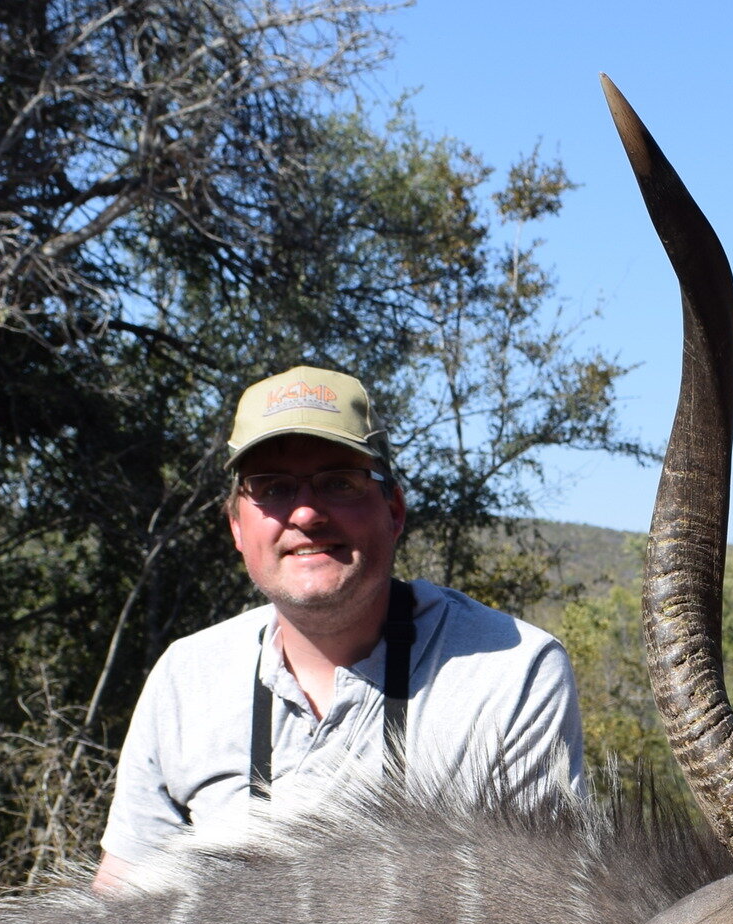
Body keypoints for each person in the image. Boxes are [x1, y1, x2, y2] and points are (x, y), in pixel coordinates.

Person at [93, 366, 585, 891]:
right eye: (272, 487)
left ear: (394, 509)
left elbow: (536, 911)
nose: (305, 512)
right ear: (236, 526)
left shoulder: (510, 672)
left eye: (339, 483)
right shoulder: (185, 679)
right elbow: (121, 905)